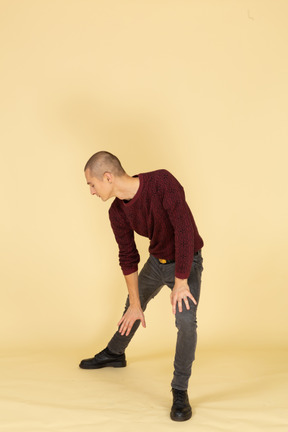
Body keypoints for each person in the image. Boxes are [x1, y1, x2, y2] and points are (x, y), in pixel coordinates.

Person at [79, 151, 204, 422]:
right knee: (132, 305)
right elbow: (128, 256)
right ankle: (115, 353)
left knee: (185, 322)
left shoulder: (162, 182)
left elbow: (183, 230)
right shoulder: (116, 212)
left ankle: (179, 389)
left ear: (108, 177)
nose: (91, 191)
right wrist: (136, 303)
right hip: (156, 263)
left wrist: (181, 282)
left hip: (187, 262)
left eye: (92, 184)